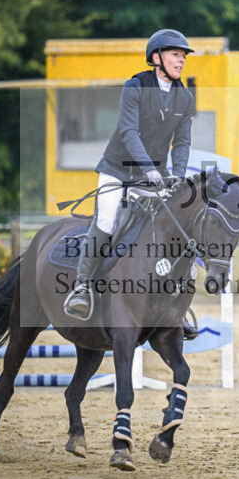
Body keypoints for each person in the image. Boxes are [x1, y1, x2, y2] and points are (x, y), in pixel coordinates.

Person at [64, 29, 196, 326]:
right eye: (176, 54)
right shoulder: (134, 87)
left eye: (184, 55)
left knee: (173, 229)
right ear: (156, 57)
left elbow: (183, 142)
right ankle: (82, 285)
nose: (182, 60)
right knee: (108, 221)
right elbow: (128, 132)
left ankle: (175, 301)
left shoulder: (184, 97)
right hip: (117, 171)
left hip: (157, 176)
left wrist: (177, 174)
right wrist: (149, 168)